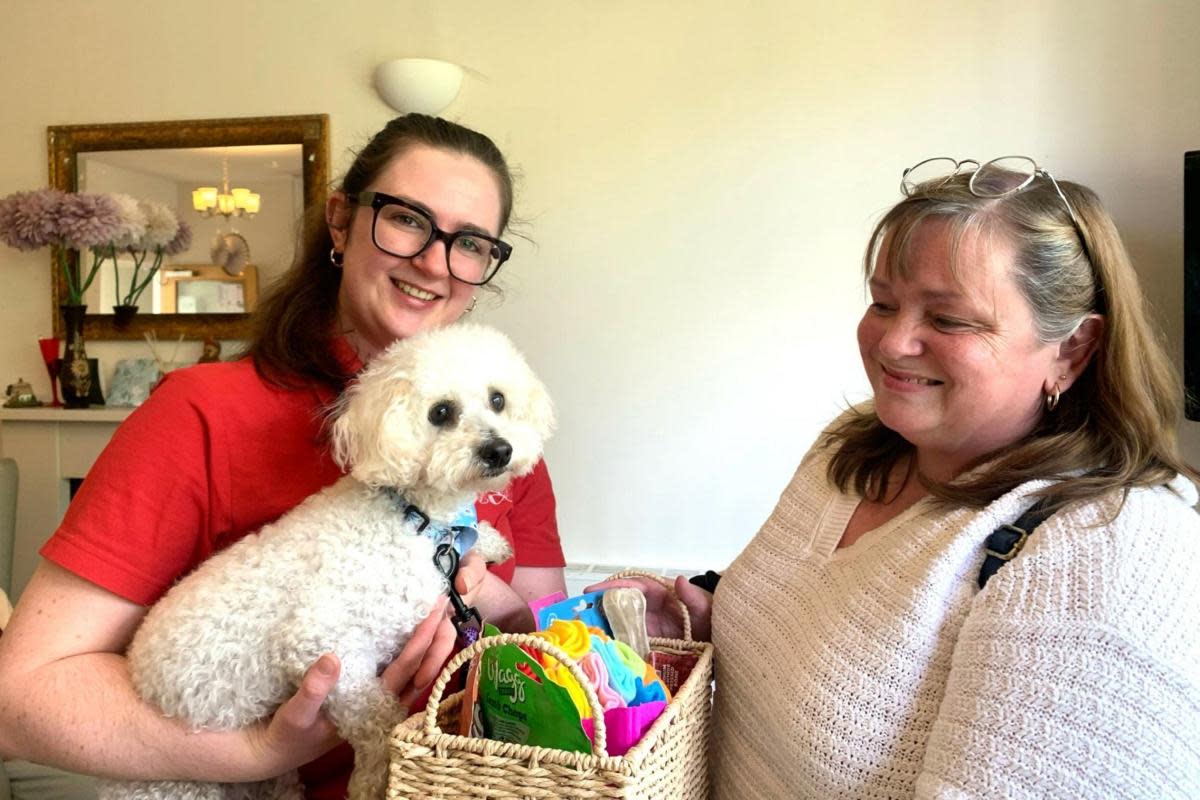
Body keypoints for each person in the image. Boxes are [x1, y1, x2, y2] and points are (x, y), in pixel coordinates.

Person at [0, 114, 567, 799]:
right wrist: (258, 752)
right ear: (340, 221)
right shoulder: (201, 413)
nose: (432, 262)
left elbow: (550, 663)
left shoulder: (500, 440)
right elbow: (20, 698)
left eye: (469, 242)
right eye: (408, 219)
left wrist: (498, 597)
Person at [605, 157, 1200, 798]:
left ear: (1073, 348)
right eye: (883, 303)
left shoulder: (1105, 555)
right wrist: (709, 619)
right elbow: (831, 636)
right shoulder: (856, 448)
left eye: (949, 320)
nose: (892, 344)